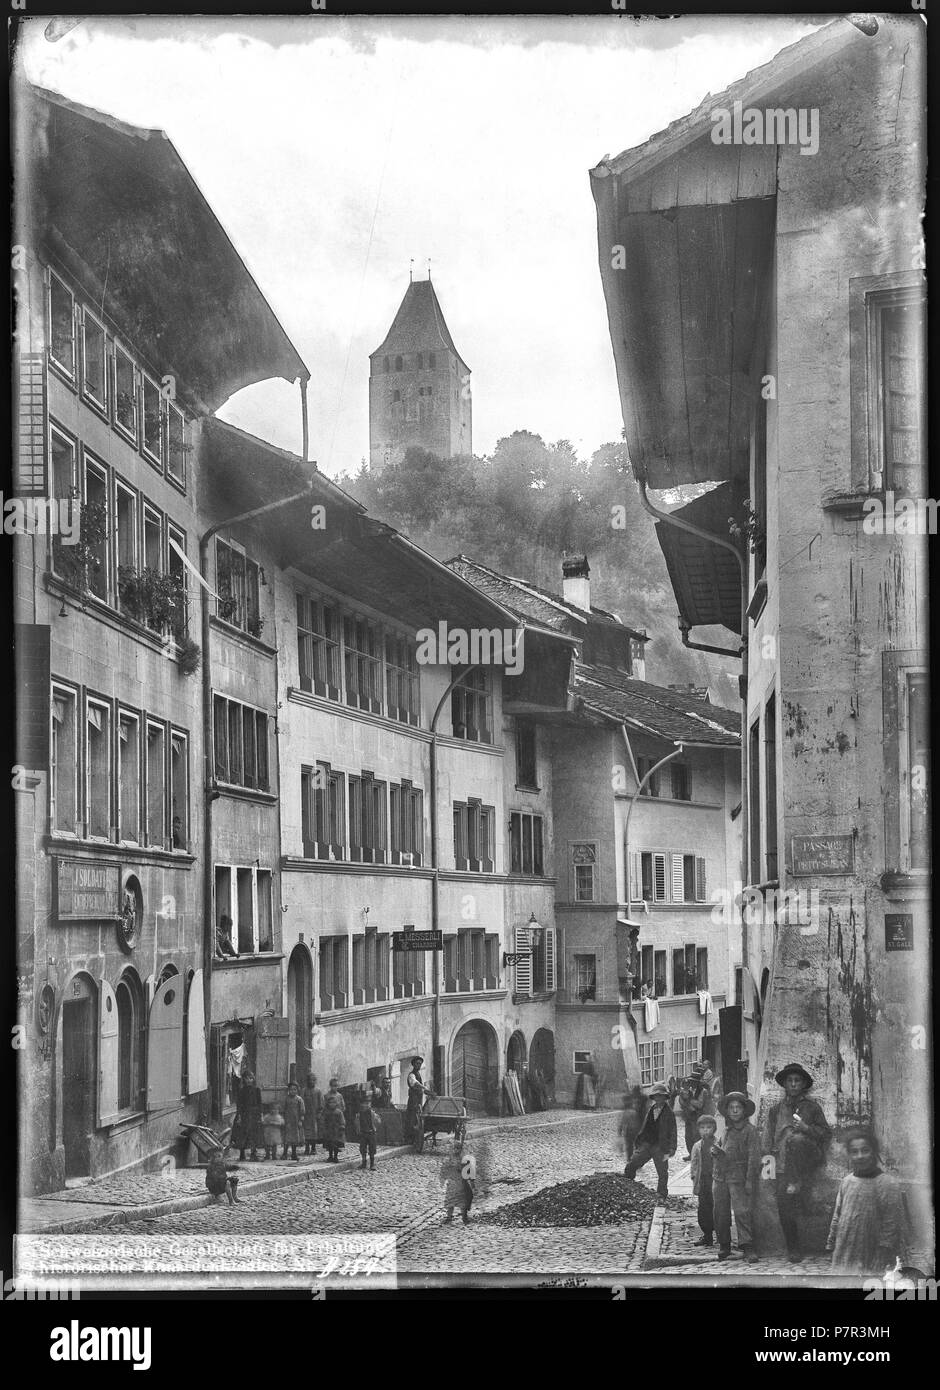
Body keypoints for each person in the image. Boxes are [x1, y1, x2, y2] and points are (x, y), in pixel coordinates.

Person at [763, 1063, 832, 1263]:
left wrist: (805, 1127)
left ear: (803, 1085)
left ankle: (820, 1244)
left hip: (806, 1163)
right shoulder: (776, 1110)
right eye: (790, 1081)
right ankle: (793, 1248)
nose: (793, 1084)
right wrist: (767, 1165)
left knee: (796, 1139)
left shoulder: (812, 1107)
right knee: (785, 1207)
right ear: (784, 1084)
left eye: (797, 1081)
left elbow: (826, 1134)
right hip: (783, 1164)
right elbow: (768, 1139)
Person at [826, 1127, 907, 1274]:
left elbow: (891, 1223)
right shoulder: (847, 1182)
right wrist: (831, 1245)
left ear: (874, 1152)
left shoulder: (887, 1183)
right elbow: (837, 1215)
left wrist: (882, 1253)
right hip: (846, 1249)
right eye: (854, 1152)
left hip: (874, 1251)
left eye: (865, 1150)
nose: (860, 1156)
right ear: (849, 1155)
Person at [712, 1091, 760, 1263]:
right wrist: (715, 1149)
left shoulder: (750, 1131)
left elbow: (754, 1158)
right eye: (731, 1108)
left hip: (738, 1177)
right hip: (720, 1177)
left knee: (742, 1212)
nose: (734, 1111)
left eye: (738, 1108)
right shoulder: (726, 1130)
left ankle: (747, 1246)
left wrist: (749, 1181)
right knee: (720, 1212)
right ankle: (724, 1245)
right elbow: (720, 1145)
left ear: (744, 1111)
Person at [623, 1082, 677, 1197]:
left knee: (662, 1172)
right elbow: (645, 1126)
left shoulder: (669, 1113)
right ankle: (627, 1185)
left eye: (661, 1096)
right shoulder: (651, 1110)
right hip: (647, 1143)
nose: (658, 1098)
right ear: (653, 1097)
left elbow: (673, 1131)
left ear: (665, 1097)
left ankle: (662, 1194)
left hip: (660, 1146)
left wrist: (672, 1148)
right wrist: (640, 1141)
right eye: (656, 1096)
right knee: (633, 1163)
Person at [690, 1113, 718, 1247]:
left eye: (709, 1127)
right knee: (703, 1209)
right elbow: (694, 1163)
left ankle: (720, 1233)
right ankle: (707, 1235)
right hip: (703, 1181)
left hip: (715, 1181)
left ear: (714, 1129)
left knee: (716, 1208)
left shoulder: (718, 1143)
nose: (706, 1130)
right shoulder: (697, 1146)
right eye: (702, 1128)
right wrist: (694, 1178)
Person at [230, 1068, 263, 1161]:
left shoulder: (257, 1090)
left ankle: (253, 1153)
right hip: (244, 1114)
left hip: (254, 1115)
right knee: (242, 1134)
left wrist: (261, 1115)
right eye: (247, 1078)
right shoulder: (241, 1091)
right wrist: (239, 1116)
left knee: (254, 1134)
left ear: (253, 1079)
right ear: (243, 1079)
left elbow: (260, 1103)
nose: (249, 1080)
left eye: (251, 1078)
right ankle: (242, 1153)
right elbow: (239, 1104)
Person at [618, 1086, 647, 1165]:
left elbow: (622, 1123)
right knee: (635, 1145)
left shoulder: (627, 1112)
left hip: (631, 1130)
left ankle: (631, 1160)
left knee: (631, 1145)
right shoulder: (633, 1111)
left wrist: (620, 1131)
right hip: (635, 1129)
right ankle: (634, 1159)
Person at [406, 1056, 432, 1139]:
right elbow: (416, 1083)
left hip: (418, 1099)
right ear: (413, 1064)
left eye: (420, 1064)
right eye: (417, 1063)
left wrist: (428, 1092)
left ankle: (416, 1136)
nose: (419, 1065)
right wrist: (424, 1088)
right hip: (413, 1100)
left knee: (418, 1117)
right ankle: (410, 1138)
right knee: (412, 1118)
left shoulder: (418, 1074)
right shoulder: (411, 1075)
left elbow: (420, 1088)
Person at [356, 1086, 380, 1171]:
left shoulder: (372, 1113)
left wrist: (376, 1120)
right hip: (363, 1133)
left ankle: (372, 1164)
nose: (365, 1105)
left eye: (367, 1104)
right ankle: (364, 1162)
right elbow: (357, 1123)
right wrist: (358, 1130)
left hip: (371, 1133)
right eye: (363, 1104)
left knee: (372, 1149)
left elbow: (378, 1121)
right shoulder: (359, 1114)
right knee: (363, 1148)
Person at [322, 1079, 346, 1162]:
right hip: (329, 1125)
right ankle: (330, 1156)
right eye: (333, 1086)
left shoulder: (339, 1096)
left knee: (336, 1142)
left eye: (336, 1086)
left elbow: (343, 1107)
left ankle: (335, 1156)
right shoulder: (326, 1096)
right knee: (329, 1142)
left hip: (336, 1125)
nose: (334, 1088)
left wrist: (341, 1124)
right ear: (330, 1086)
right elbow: (324, 1107)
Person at [283, 1080, 305, 1161]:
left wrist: (301, 1120)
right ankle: (284, 1153)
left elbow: (302, 1110)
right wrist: (284, 1120)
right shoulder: (287, 1099)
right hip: (288, 1121)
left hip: (295, 1122)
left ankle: (294, 1154)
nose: (293, 1091)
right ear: (288, 1090)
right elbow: (284, 1109)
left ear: (297, 1090)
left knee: (295, 1138)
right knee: (287, 1138)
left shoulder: (299, 1099)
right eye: (291, 1089)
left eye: (295, 1089)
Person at [675, 1078, 697, 1159]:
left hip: (693, 1116)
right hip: (687, 1116)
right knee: (688, 1136)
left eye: (687, 1085)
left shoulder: (692, 1092)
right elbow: (682, 1103)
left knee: (694, 1135)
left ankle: (695, 1154)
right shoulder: (682, 1093)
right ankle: (691, 1153)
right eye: (684, 1085)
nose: (686, 1086)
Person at [303, 1074, 322, 1156]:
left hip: (314, 1115)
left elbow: (321, 1103)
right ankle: (307, 1147)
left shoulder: (318, 1091)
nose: (311, 1082)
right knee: (306, 1131)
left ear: (315, 1081)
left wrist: (319, 1113)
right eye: (310, 1080)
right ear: (307, 1081)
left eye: (313, 1080)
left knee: (314, 1132)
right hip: (306, 1115)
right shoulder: (304, 1090)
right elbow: (301, 1102)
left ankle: (313, 1148)